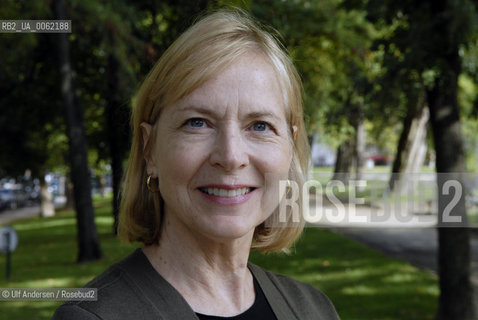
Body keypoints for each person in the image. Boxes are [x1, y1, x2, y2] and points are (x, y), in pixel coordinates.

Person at [53, 9, 340, 320]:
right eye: (197, 123)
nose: (231, 157)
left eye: (259, 126)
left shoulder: (315, 309)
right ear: (150, 150)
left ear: (290, 148)